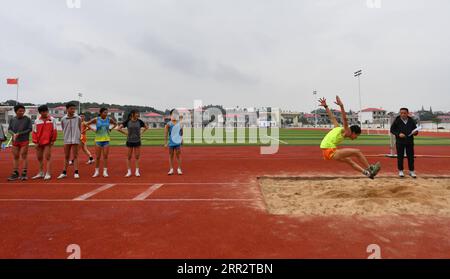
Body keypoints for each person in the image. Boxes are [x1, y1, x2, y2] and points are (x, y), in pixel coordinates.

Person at [319, 96, 381, 179]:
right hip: (329, 150)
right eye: (357, 136)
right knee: (357, 152)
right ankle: (370, 169)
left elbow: (332, 117)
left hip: (326, 151)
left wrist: (326, 106)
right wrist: (341, 106)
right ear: (353, 132)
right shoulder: (347, 131)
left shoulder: (337, 127)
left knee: (350, 161)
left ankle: (367, 174)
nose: (356, 138)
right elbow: (344, 119)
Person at [85, 107, 117, 178]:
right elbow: (87, 124)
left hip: (106, 140)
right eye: (105, 112)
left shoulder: (109, 119)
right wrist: (93, 129)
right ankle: (96, 171)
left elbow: (115, 124)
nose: (106, 114)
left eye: (107, 112)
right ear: (101, 112)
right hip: (98, 140)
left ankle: (105, 171)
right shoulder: (96, 119)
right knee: (98, 157)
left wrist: (111, 129)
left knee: (105, 156)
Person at [117, 110, 149, 177]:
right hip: (129, 141)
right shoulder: (127, 121)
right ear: (132, 114)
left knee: (137, 156)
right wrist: (126, 133)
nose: (138, 115)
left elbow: (146, 127)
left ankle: (137, 171)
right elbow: (118, 128)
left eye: (138, 113)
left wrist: (141, 133)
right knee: (129, 157)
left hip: (137, 141)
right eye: (137, 113)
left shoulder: (140, 121)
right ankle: (129, 172)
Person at [390, 108, 419, 178]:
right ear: (400, 113)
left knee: (411, 157)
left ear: (407, 113)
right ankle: (400, 170)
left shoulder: (411, 120)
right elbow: (392, 130)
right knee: (400, 156)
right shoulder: (397, 120)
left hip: (409, 141)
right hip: (400, 142)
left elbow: (416, 130)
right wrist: (398, 134)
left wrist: (415, 132)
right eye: (401, 113)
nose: (403, 114)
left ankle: (411, 171)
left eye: (404, 113)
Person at [7, 104, 33, 181]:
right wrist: (13, 134)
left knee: (23, 155)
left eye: (23, 111)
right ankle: (15, 173)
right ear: (16, 111)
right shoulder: (12, 119)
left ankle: (24, 173)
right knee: (15, 156)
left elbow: (29, 129)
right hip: (15, 141)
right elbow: (9, 129)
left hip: (24, 140)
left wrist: (19, 134)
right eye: (20, 111)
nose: (21, 112)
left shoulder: (27, 119)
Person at [32, 105, 58, 180]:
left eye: (46, 111)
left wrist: (53, 140)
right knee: (39, 157)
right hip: (39, 142)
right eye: (43, 111)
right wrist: (35, 142)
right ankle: (40, 173)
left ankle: (48, 173)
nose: (45, 113)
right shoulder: (37, 121)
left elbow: (54, 130)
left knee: (48, 157)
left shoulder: (52, 119)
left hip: (48, 142)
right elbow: (34, 132)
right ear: (40, 112)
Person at [58, 102, 82, 179]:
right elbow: (63, 128)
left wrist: (78, 136)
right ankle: (64, 172)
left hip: (75, 139)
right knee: (66, 156)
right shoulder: (63, 119)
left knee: (75, 156)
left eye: (74, 109)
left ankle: (76, 172)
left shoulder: (78, 118)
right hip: (66, 139)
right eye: (71, 108)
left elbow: (79, 127)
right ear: (67, 109)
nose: (73, 110)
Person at [164, 109, 183, 175]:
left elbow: (181, 132)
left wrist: (182, 139)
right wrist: (165, 142)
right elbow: (166, 133)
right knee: (171, 155)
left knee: (178, 155)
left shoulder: (179, 123)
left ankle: (179, 169)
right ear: (171, 115)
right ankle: (171, 169)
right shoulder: (168, 124)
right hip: (171, 142)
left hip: (177, 142)